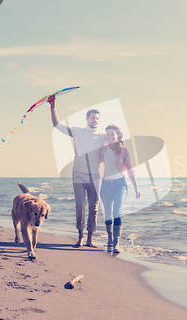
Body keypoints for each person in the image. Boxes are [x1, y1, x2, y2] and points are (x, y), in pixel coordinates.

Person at [49, 95, 106, 248]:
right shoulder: (78, 131)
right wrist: (53, 106)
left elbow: (115, 144)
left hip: (95, 176)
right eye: (93, 117)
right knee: (80, 205)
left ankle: (89, 240)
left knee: (94, 208)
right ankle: (80, 237)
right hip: (78, 174)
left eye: (97, 118)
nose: (95, 120)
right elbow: (57, 124)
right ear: (87, 118)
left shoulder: (103, 136)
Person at [99, 124, 141, 253]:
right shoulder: (104, 149)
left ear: (118, 135)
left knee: (118, 211)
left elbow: (130, 170)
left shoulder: (124, 151)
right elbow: (94, 162)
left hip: (120, 184)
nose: (110, 136)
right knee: (107, 214)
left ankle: (116, 242)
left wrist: (136, 188)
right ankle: (110, 239)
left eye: (112, 134)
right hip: (105, 185)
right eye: (108, 134)